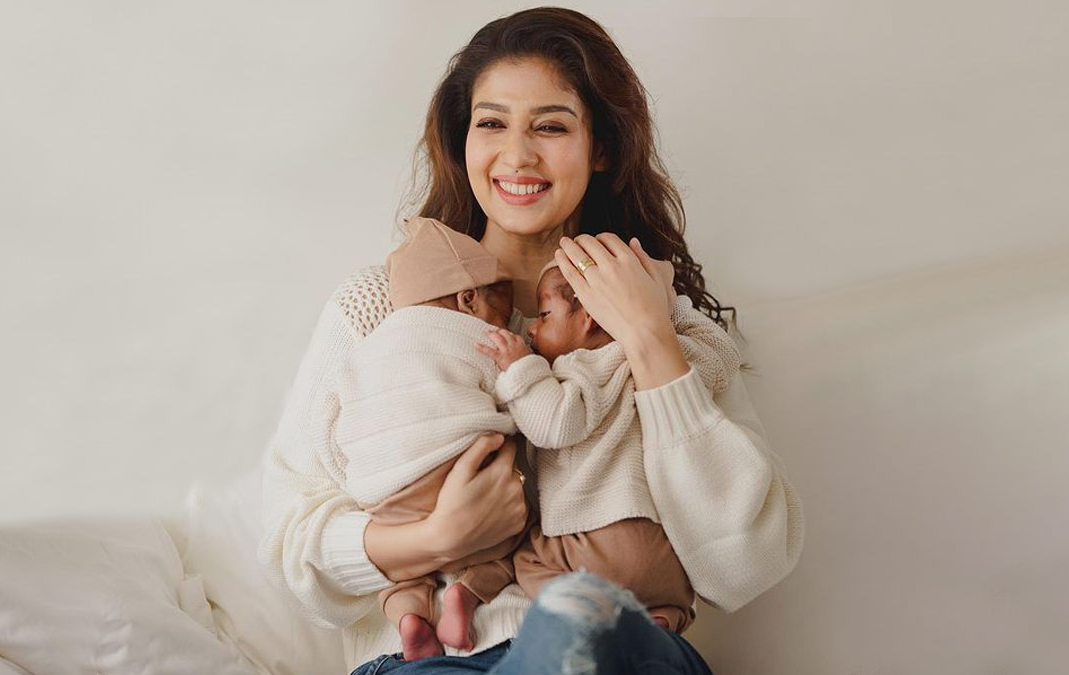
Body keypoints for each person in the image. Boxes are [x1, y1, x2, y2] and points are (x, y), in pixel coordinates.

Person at [259, 7, 804, 673]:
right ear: (463, 141)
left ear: (602, 147)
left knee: (585, 639)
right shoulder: (379, 308)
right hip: (434, 661)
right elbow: (287, 540)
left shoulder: (666, 319)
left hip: (617, 653)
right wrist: (435, 537)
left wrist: (648, 339)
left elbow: (747, 561)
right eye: (491, 124)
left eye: (550, 126)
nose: (517, 155)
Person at [475, 260, 742, 636]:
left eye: (545, 314)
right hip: (662, 549)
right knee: (673, 598)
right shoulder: (656, 355)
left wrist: (520, 368)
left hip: (595, 541)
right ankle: (666, 614)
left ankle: (588, 615)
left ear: (589, 317)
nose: (532, 328)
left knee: (528, 559)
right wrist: (668, 304)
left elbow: (554, 424)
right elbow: (722, 357)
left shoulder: (580, 368)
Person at [333, 216, 527, 660]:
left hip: (384, 496)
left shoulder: (370, 345)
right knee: (512, 545)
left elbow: (347, 414)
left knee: (398, 576)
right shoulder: (478, 336)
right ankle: (466, 595)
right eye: (502, 309)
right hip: (459, 471)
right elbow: (516, 399)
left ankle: (409, 616)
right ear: (468, 299)